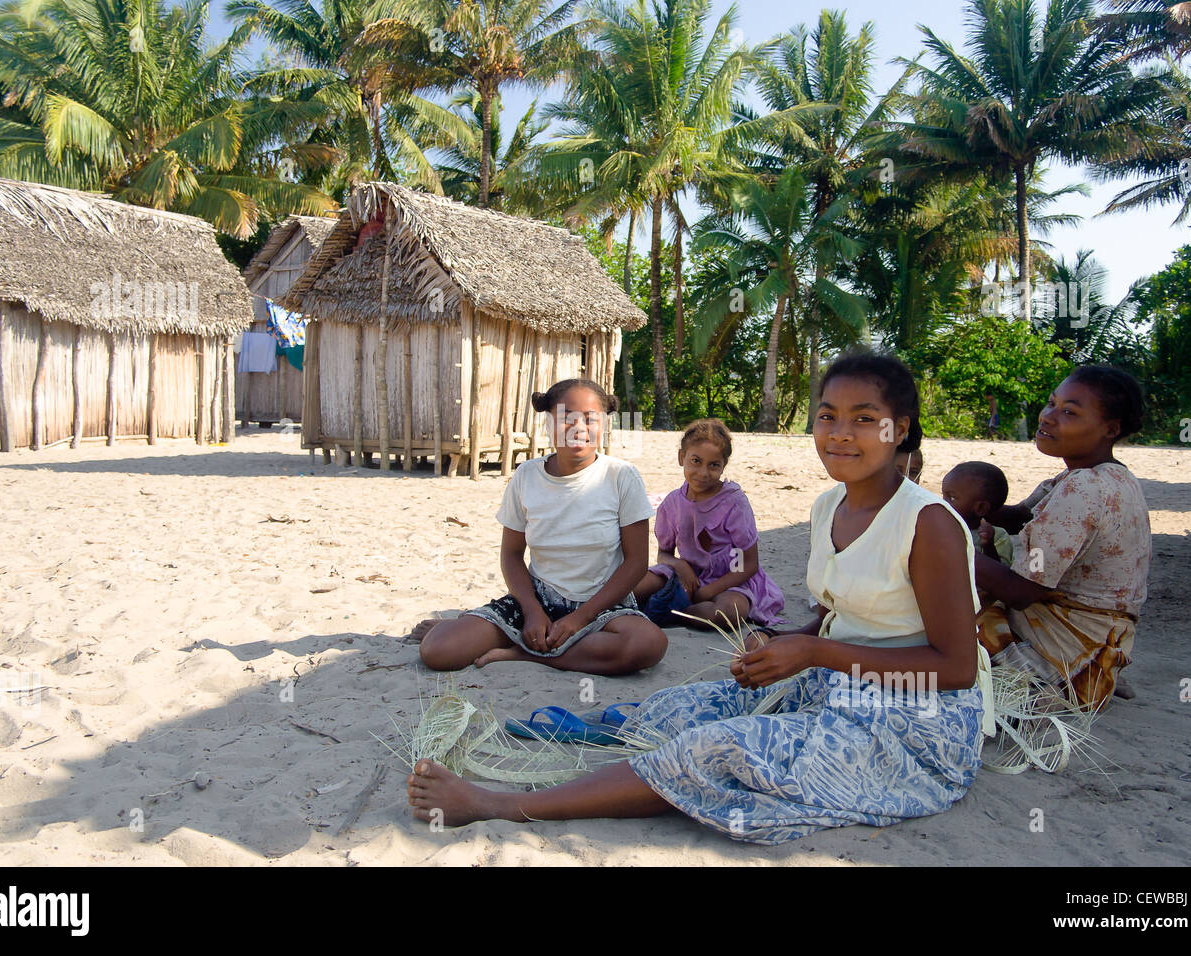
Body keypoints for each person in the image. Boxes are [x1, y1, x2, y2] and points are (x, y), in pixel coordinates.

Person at [406, 352, 987, 843]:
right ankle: (570, 738)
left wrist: (813, 655)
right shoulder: (829, 506)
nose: (839, 433)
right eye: (828, 416)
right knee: (682, 707)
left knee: (717, 748)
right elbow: (842, 618)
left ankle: (501, 806)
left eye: (864, 419)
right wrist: (783, 643)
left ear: (900, 428)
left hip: (914, 720)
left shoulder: (927, 524)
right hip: (838, 682)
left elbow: (957, 668)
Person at [416, 378, 667, 675]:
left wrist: (581, 618)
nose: (579, 428)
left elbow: (637, 563)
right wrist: (532, 611)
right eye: (566, 418)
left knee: (647, 644)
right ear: (548, 422)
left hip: (602, 605)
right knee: (438, 650)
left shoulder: (622, 476)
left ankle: (524, 655)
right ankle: (520, 636)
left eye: (590, 419)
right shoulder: (527, 477)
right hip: (538, 599)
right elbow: (511, 555)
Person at [976, 366, 1151, 711]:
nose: (1049, 417)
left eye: (1069, 412)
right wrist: (960, 504)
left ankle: (1034, 685)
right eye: (1052, 404)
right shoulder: (1108, 477)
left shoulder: (1084, 488)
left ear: (1110, 429)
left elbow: (1021, 592)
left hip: (1069, 666)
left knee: (944, 605)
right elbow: (1018, 516)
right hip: (1100, 652)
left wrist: (950, 549)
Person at [631, 419, 786, 630]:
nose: (703, 473)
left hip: (731, 580)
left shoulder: (733, 503)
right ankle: (635, 608)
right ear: (681, 458)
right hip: (687, 577)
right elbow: (663, 555)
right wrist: (681, 565)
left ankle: (673, 613)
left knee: (726, 614)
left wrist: (707, 592)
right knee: (636, 586)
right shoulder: (672, 504)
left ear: (723, 466)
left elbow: (747, 564)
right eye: (696, 461)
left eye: (714, 465)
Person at [942, 461, 1013, 566]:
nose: (943, 503)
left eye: (951, 498)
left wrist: (988, 545)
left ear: (980, 508)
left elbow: (998, 575)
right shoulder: (939, 527)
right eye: (943, 496)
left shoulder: (998, 537)